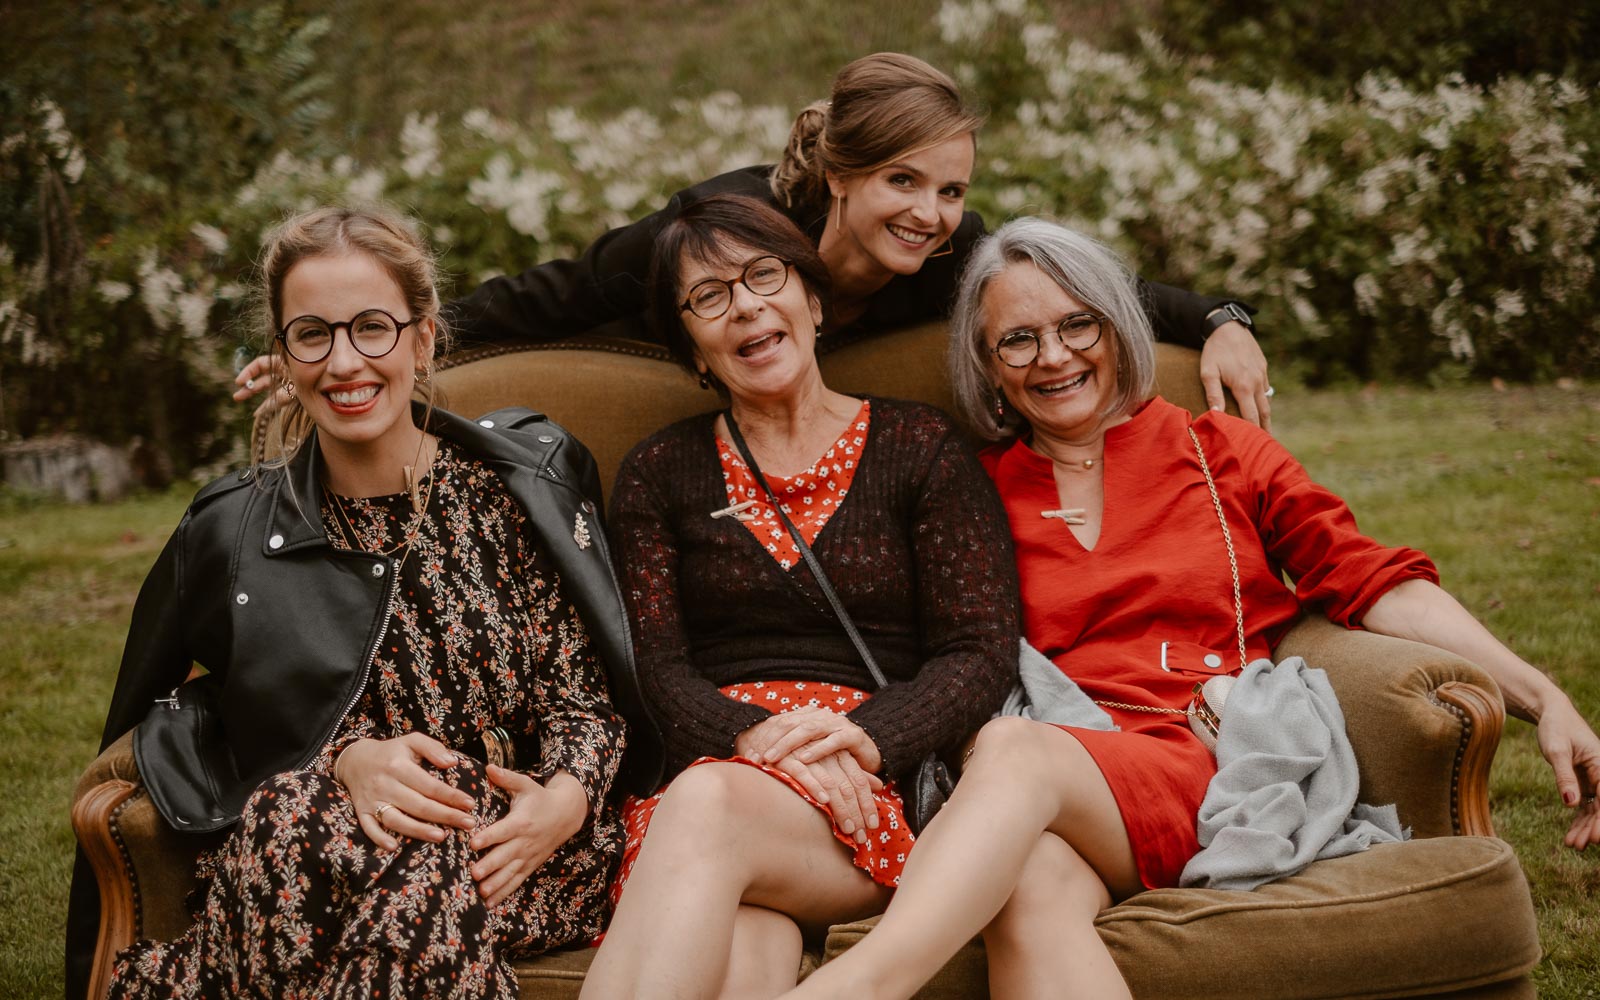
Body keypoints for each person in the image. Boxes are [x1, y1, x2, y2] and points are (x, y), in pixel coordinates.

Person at [779, 217, 1600, 1000]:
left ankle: (857, 986)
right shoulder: (973, 488)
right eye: (1018, 340)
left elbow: (1373, 580)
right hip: (1060, 784)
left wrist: (1543, 697)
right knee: (1029, 886)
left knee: (1014, 749)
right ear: (988, 368)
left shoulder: (1219, 452)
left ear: (1118, 331)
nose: (1053, 357)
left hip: (1202, 758)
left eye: (1079, 326)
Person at [68, 205, 631, 1000]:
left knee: (375, 853)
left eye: (372, 328)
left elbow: (587, 701)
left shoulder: (509, 500)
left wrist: (564, 805)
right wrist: (343, 759)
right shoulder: (236, 529)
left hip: (510, 843)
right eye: (313, 334)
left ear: (422, 338)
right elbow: (199, 717)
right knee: (293, 819)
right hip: (323, 829)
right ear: (283, 351)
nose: (344, 362)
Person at [234, 53, 1275, 427]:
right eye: (900, 180)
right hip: (663, 385)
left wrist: (1225, 321)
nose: (929, 211)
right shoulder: (720, 231)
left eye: (950, 187)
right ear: (839, 174)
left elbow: (1106, 288)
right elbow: (542, 298)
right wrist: (371, 348)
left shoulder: (962, 256)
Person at [574, 193, 1019, 1000]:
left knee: (707, 808)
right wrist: (751, 737)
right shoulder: (657, 473)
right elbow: (651, 667)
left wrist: (860, 741)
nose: (744, 305)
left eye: (763, 276)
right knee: (748, 953)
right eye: (709, 298)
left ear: (813, 300)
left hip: (868, 787)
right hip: (717, 771)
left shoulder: (921, 449)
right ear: (694, 351)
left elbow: (979, 651)